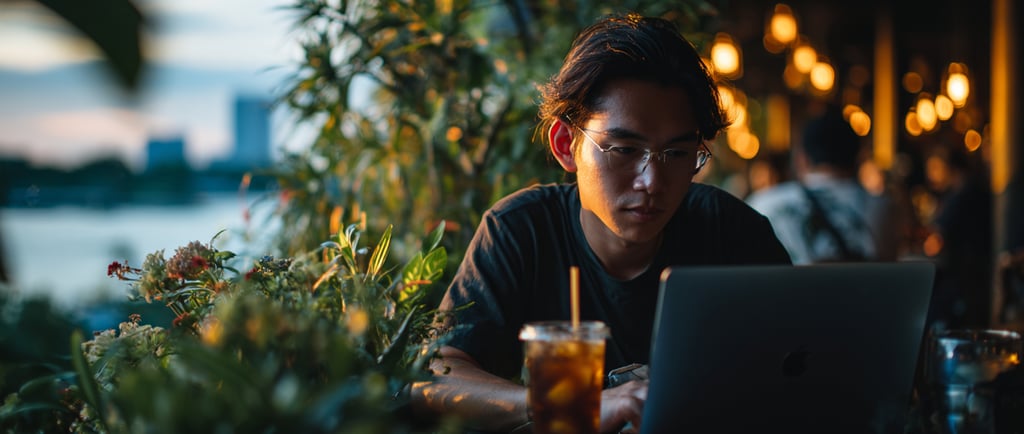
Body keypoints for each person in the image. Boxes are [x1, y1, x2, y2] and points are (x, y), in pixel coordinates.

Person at [410, 13, 791, 433]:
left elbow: (802, 365)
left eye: (678, 154)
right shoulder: (522, 231)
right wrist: (571, 405)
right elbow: (434, 374)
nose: (652, 181)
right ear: (565, 145)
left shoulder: (731, 232)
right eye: (624, 149)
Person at [746, 105, 906, 264]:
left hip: (784, 290)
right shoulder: (883, 207)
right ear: (858, 159)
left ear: (802, 159)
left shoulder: (762, 204)